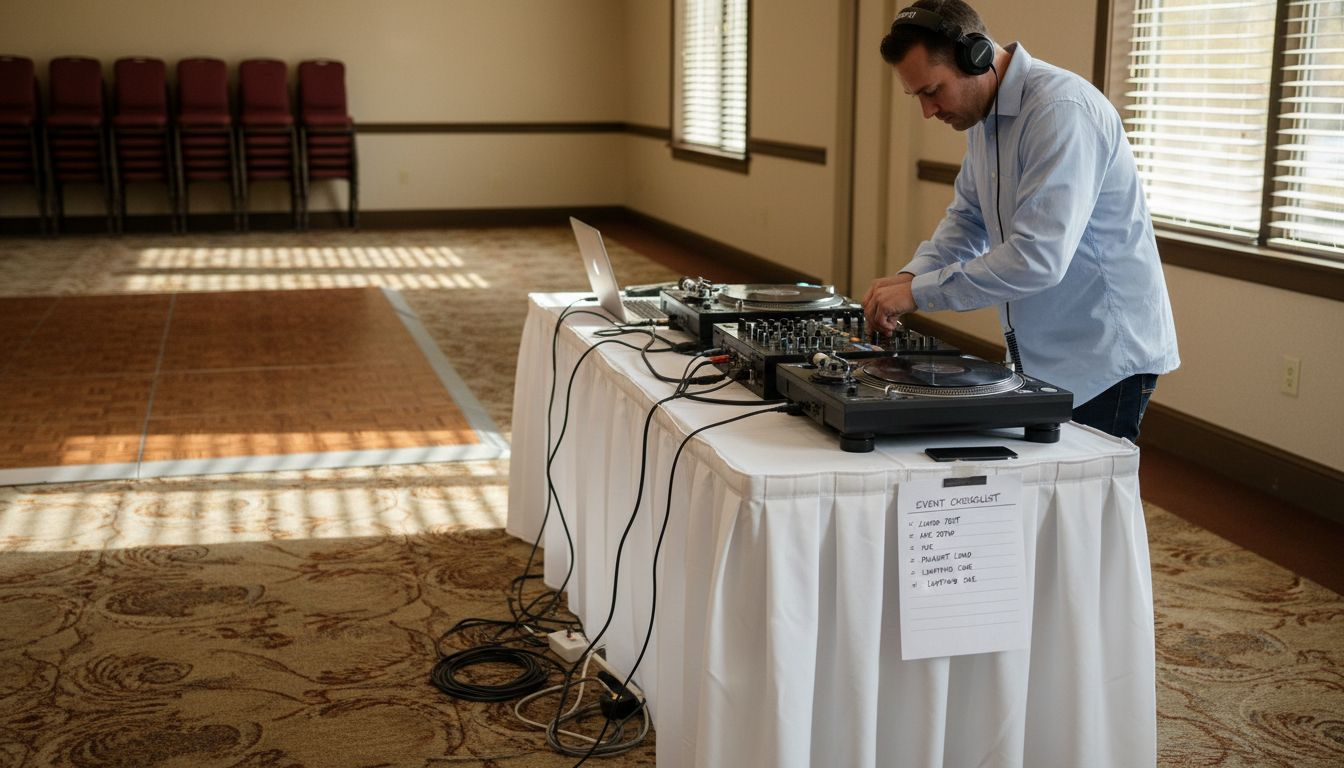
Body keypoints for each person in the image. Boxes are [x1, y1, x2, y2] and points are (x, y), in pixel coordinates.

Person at [862, 0, 1179, 441]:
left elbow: (1037, 258)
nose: (928, 111)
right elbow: (967, 220)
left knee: (1081, 484)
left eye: (932, 91)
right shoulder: (983, 119)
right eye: (917, 97)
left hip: (1103, 358)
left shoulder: (1060, 111)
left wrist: (919, 293)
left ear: (975, 57)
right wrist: (910, 277)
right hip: (1044, 353)